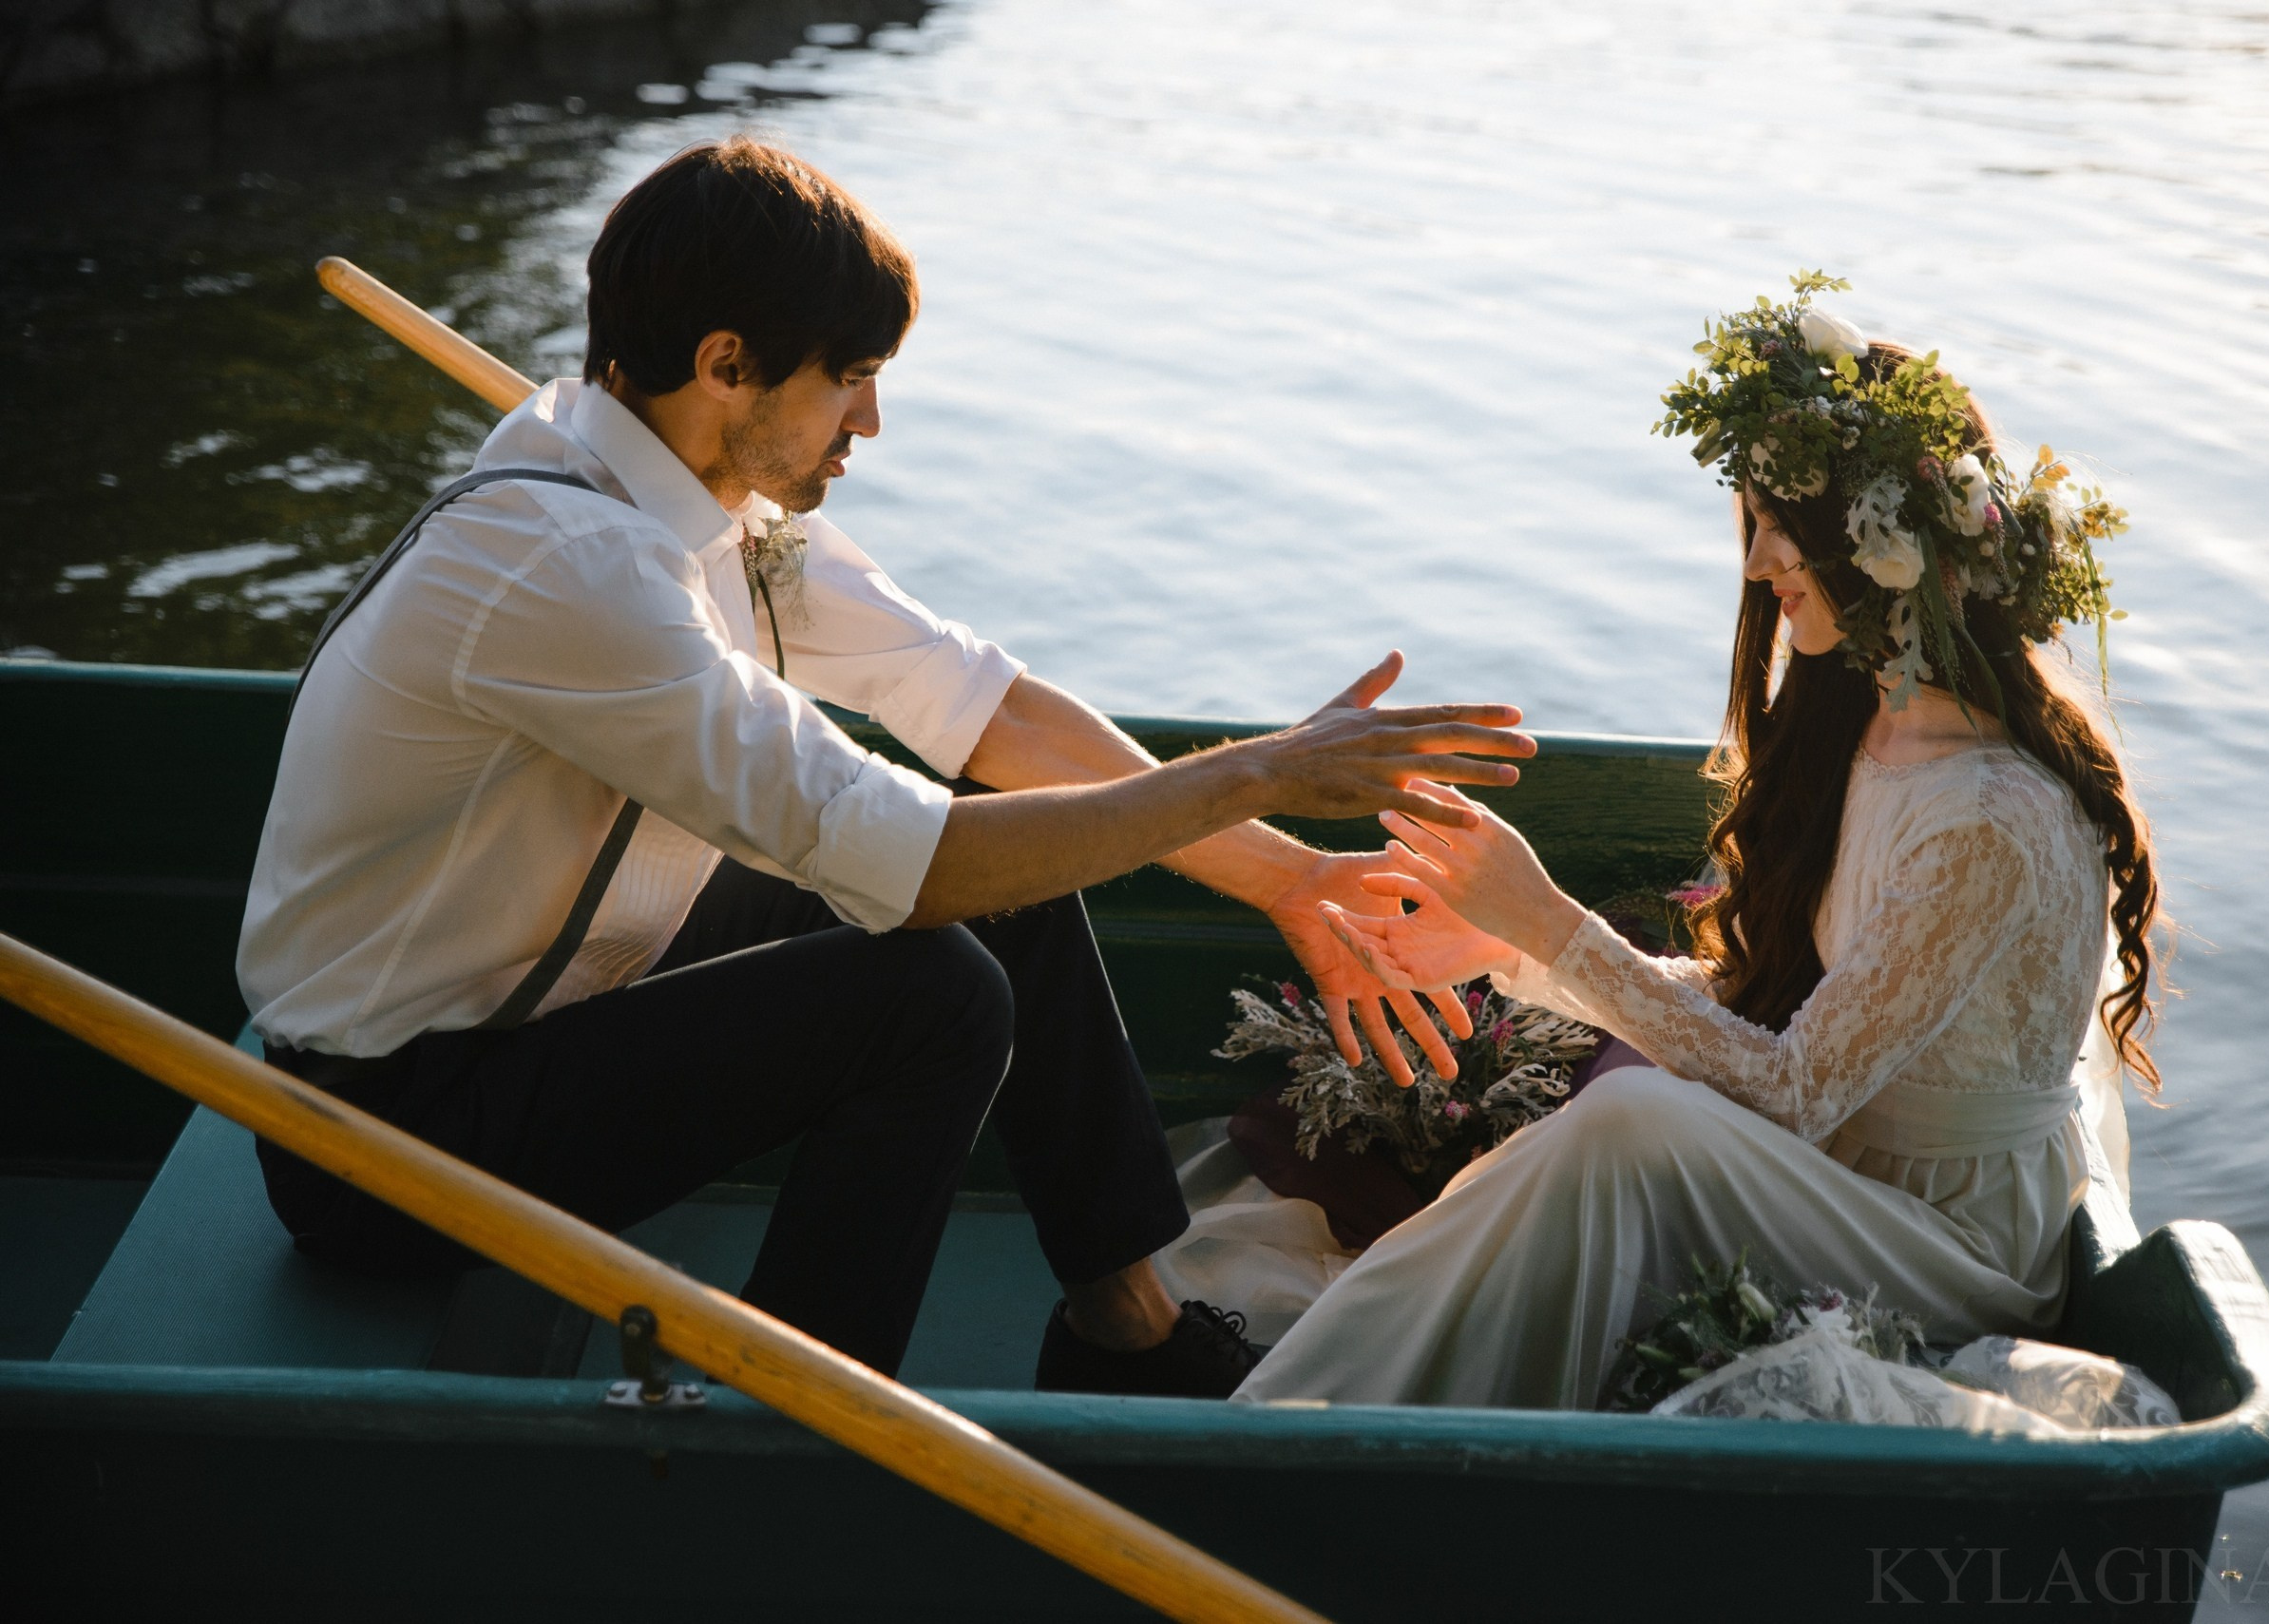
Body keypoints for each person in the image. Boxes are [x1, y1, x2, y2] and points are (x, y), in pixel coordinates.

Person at [237, 136, 1535, 1397]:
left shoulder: (699, 505)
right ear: (727, 364)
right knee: (933, 992)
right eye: (850, 375)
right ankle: (799, 1425)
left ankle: (1125, 1327)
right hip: (384, 1137)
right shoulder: (573, 568)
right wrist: (1252, 771)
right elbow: (911, 874)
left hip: (549, 988)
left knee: (1004, 854)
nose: (871, 420)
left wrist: (1289, 878)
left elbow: (989, 713)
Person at [1233, 278, 2164, 1409]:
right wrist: (1503, 951)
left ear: (1881, 542)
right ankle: (1336, 1392)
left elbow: (1796, 1085)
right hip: (1849, 1179)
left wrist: (1551, 920)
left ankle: (1343, 1412)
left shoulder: (1989, 819)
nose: (1760, 561)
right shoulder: (1870, 734)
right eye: (1754, 522)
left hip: (1953, 1241)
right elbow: (1779, 1009)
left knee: (1629, 1123)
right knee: (1622, 1121)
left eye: (1785, 525)